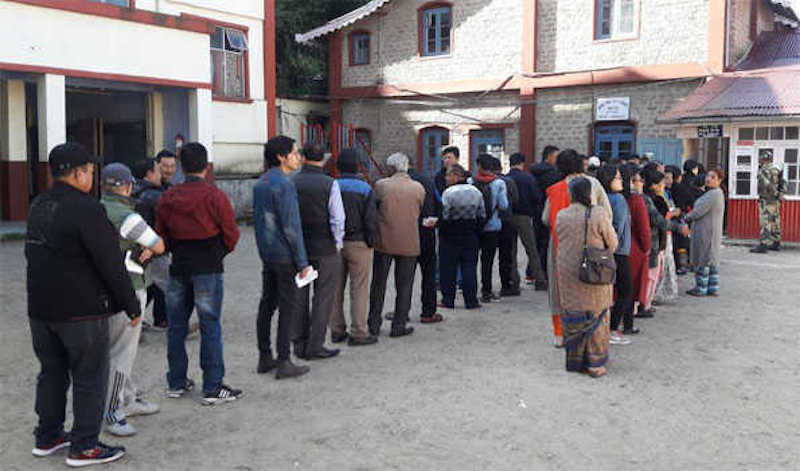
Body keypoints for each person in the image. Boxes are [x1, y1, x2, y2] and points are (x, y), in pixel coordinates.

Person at [26, 143, 135, 466]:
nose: (91, 176)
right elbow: (110, 261)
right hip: (81, 311)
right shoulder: (87, 208)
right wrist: (130, 304)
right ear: (77, 173)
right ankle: (85, 445)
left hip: (41, 310)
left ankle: (48, 436)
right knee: (90, 377)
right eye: (89, 170)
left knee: (51, 372)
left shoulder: (38, 204)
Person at [155, 142, 242, 404]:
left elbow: (161, 234)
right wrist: (217, 253)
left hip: (179, 264)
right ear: (207, 166)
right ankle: (212, 386)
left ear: (181, 167)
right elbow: (231, 234)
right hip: (208, 266)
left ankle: (176, 381)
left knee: (176, 326)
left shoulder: (169, 197)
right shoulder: (214, 196)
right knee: (210, 325)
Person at [99, 163, 165, 437]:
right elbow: (158, 244)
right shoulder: (127, 216)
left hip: (103, 287)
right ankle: (114, 411)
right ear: (127, 187)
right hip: (130, 286)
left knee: (115, 347)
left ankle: (128, 397)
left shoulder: (97, 208)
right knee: (122, 353)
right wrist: (147, 249)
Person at [254, 136, 312, 379]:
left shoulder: (261, 183)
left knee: (267, 304)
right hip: (285, 255)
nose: (298, 157)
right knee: (288, 308)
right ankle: (284, 360)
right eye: (294, 153)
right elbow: (291, 227)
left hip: (268, 252)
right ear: (281, 156)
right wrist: (302, 262)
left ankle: (265, 355)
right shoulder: (285, 185)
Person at [555, 177, 618, 378]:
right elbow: (613, 243)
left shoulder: (561, 215)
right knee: (597, 312)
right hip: (594, 271)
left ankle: (575, 361)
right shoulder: (598, 214)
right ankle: (595, 363)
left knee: (573, 312)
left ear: (571, 194)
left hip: (568, 271)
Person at [292, 142, 345, 360]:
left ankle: (299, 342)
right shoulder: (329, 183)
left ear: (302, 157)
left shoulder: (292, 182)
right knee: (323, 297)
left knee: (299, 295)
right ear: (323, 159)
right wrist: (337, 243)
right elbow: (337, 218)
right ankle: (315, 344)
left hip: (299, 247)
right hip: (325, 247)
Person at [368, 153, 425, 338]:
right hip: (409, 241)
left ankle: (373, 323)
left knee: (378, 283)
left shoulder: (381, 186)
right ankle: (399, 324)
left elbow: (374, 209)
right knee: (405, 285)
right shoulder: (418, 188)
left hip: (384, 241)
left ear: (391, 168)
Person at [330, 149, 380, 346]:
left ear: (338, 167)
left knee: (335, 288)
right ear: (358, 166)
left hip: (334, 243)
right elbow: (371, 219)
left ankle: (336, 329)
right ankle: (359, 331)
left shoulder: (331, 185)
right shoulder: (365, 189)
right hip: (359, 242)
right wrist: (372, 241)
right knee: (359, 288)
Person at [439, 164, 486, 309]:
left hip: (450, 234)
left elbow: (444, 215)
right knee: (469, 267)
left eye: (448, 175)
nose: (446, 178)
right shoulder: (476, 192)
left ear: (457, 176)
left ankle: (448, 299)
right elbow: (482, 214)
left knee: (448, 268)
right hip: (470, 233)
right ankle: (471, 300)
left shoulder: (448, 193)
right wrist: (476, 230)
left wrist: (443, 230)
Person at [598, 165, 634, 345]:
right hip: (618, 251)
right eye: (618, 178)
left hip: (605, 249)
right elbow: (618, 227)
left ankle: (606, 327)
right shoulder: (618, 199)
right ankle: (612, 328)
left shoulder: (601, 198)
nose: (621, 181)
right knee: (625, 290)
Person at [639, 168, 682, 318]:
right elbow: (659, 220)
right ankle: (643, 305)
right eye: (661, 184)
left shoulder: (654, 198)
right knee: (650, 276)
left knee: (655, 274)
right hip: (652, 242)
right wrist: (677, 226)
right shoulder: (647, 200)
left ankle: (647, 303)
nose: (663, 186)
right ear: (653, 185)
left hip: (658, 241)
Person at [132, 159, 168, 330]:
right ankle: (170, 322)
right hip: (154, 247)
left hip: (135, 247)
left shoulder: (131, 192)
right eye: (158, 170)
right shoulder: (155, 196)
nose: (161, 174)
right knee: (168, 286)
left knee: (147, 284)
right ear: (149, 174)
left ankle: (136, 319)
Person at [506, 153, 547, 290]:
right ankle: (539, 279)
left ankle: (514, 280)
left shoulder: (506, 178)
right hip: (524, 216)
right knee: (531, 249)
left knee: (511, 250)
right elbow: (537, 197)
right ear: (522, 163)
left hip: (509, 216)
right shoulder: (528, 178)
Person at [409, 163, 443, 323]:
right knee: (428, 274)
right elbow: (439, 204)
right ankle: (428, 313)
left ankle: (401, 312)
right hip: (426, 231)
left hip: (404, 234)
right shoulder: (427, 181)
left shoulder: (390, 184)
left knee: (404, 276)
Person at [684, 168, 725, 296]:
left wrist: (686, 217)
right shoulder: (715, 193)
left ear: (719, 180)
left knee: (703, 258)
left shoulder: (713, 194)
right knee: (711, 259)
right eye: (708, 176)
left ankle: (701, 288)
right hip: (710, 230)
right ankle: (712, 288)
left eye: (713, 177)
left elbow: (698, 211)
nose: (708, 179)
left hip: (706, 231)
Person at [473, 154, 509, 304]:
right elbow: (504, 205)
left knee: (472, 260)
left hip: (475, 226)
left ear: (479, 166)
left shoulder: (471, 182)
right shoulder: (499, 183)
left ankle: (470, 289)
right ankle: (486, 291)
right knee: (487, 260)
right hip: (492, 226)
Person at [621, 164, 651, 326]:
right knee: (630, 289)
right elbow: (643, 228)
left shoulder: (609, 198)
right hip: (633, 249)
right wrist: (646, 248)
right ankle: (627, 323)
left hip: (615, 247)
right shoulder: (636, 200)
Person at [531, 145, 562, 280]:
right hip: (548, 210)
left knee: (536, 242)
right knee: (545, 243)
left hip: (536, 211)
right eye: (556, 157)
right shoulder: (553, 175)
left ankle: (532, 272)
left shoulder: (533, 172)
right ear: (549, 156)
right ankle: (543, 273)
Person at [496, 158, 521, 297]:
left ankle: (486, 288)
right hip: (507, 220)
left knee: (487, 257)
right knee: (506, 255)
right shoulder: (509, 182)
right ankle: (507, 284)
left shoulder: (481, 182)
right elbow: (515, 199)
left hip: (490, 223)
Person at [751, 151, 785, 253]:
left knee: (765, 221)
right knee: (775, 220)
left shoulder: (763, 170)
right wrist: (780, 194)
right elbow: (783, 182)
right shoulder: (777, 169)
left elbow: (765, 184)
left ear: (763, 159)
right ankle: (776, 242)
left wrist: (774, 193)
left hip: (766, 199)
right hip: (776, 200)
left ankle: (763, 244)